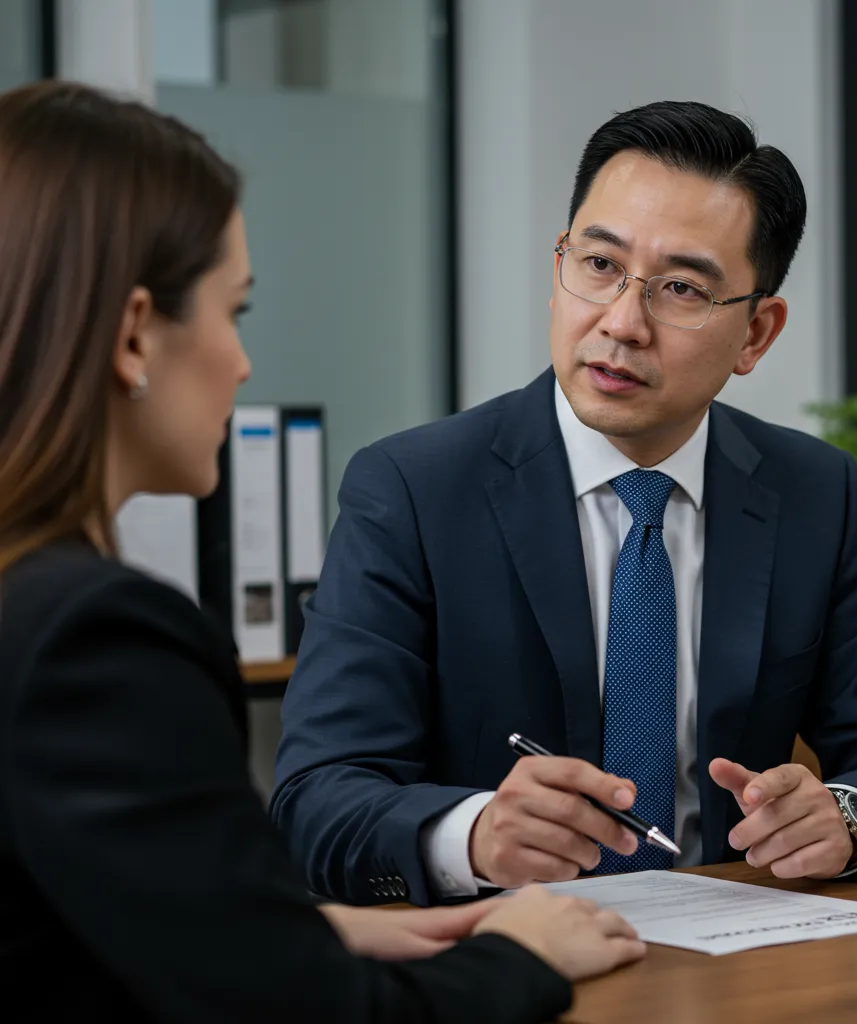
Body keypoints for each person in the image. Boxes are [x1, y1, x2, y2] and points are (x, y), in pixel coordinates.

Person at [0, 82, 646, 1022]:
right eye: (236, 313)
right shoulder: (92, 638)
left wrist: (311, 933)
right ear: (137, 333)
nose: (242, 362)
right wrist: (519, 954)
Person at [272, 99, 857, 907]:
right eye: (599, 266)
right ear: (558, 268)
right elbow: (316, 798)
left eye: (679, 288)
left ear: (756, 335)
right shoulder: (413, 490)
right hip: (501, 961)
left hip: (735, 963)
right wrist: (475, 833)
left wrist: (847, 817)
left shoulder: (811, 491)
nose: (623, 323)